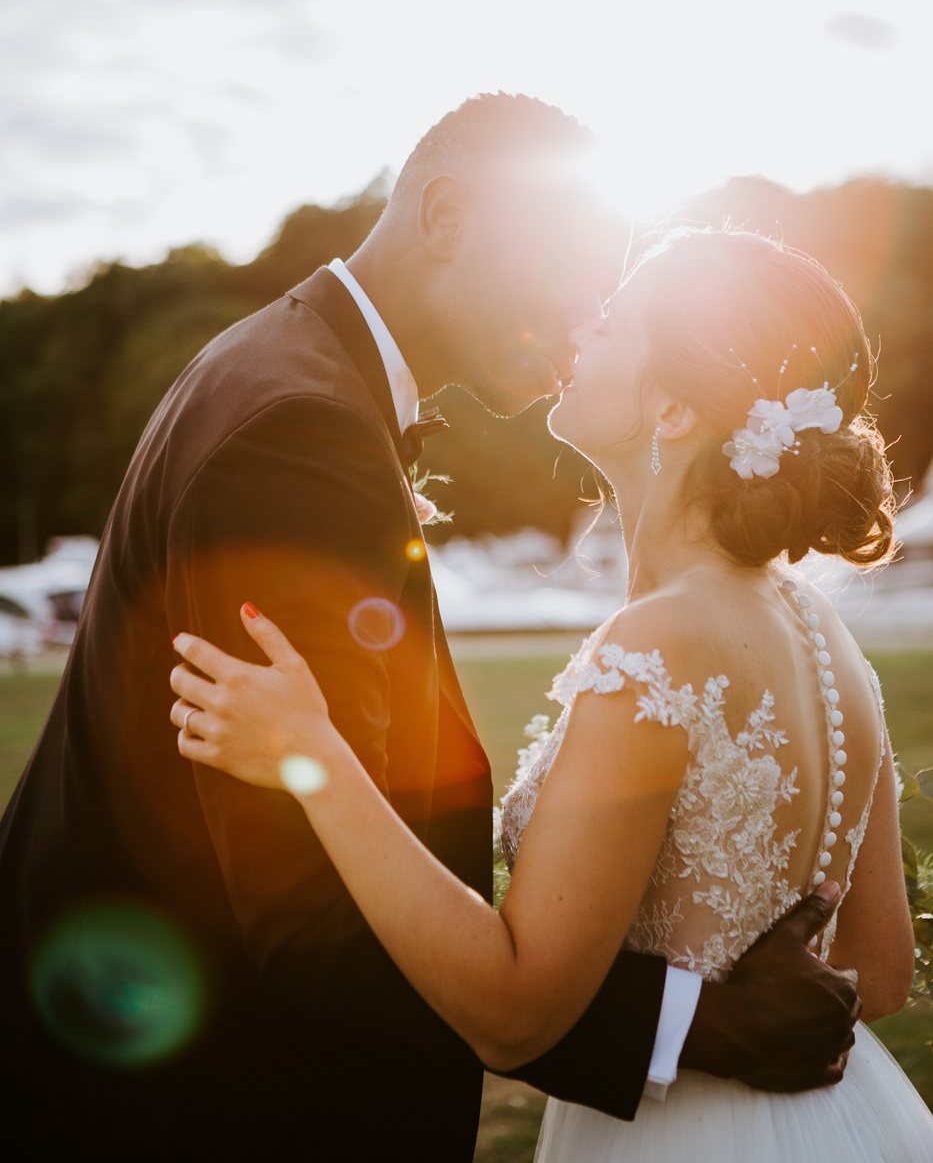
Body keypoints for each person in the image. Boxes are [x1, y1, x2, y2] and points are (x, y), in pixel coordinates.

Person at [0, 96, 855, 1162]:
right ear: (448, 220)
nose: (587, 316)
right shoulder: (295, 430)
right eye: (573, 270)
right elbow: (305, 905)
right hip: (192, 1091)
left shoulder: (290, 369)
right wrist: (693, 1020)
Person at [169, 226, 933, 1161]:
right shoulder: (827, 637)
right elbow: (879, 974)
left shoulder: (656, 647)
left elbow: (514, 1014)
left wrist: (314, 756)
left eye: (611, 323)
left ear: (676, 411)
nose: (579, 332)